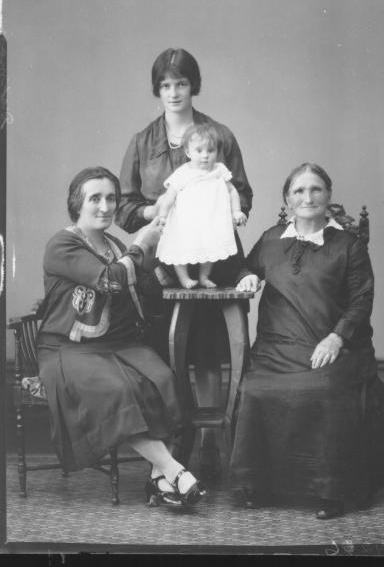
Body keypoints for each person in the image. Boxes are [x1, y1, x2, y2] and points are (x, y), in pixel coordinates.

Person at [115, 48, 253, 480]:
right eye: (165, 85)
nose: (174, 92)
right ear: (157, 90)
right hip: (163, 265)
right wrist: (154, 213)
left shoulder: (220, 136)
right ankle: (175, 449)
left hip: (213, 258)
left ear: (195, 86)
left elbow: (242, 193)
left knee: (209, 352)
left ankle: (211, 446)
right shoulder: (142, 141)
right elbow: (124, 205)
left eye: (182, 83)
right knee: (165, 354)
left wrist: (220, 213)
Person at [230, 163, 384, 519]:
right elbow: (245, 267)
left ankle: (329, 490)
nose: (308, 197)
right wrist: (245, 277)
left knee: (324, 390)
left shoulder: (348, 245)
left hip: (332, 345)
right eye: (299, 191)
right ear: (287, 199)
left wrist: (336, 338)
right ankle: (259, 484)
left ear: (328, 196)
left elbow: (361, 299)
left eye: (316, 189)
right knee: (257, 390)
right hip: (276, 349)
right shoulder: (272, 239)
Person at [37, 166, 206, 507]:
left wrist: (164, 256)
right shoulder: (62, 244)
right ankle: (175, 471)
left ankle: (160, 479)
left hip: (117, 344)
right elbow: (109, 280)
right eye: (94, 198)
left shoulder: (115, 244)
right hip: (68, 350)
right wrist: (141, 245)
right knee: (118, 390)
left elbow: (139, 286)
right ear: (77, 204)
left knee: (163, 379)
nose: (105, 206)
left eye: (111, 198)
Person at [156, 123, 247, 289]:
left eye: (210, 151)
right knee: (179, 248)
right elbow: (169, 197)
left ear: (217, 152)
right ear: (188, 152)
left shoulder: (219, 170)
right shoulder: (183, 173)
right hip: (185, 222)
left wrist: (237, 211)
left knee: (209, 248)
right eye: (199, 151)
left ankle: (204, 276)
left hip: (209, 220)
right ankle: (184, 278)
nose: (205, 156)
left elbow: (232, 192)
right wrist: (162, 216)